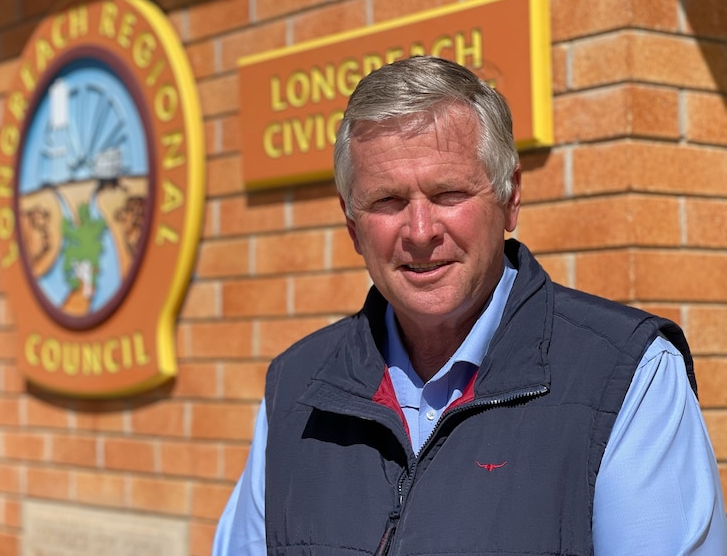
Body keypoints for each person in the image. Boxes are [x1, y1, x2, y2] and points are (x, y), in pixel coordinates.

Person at [213, 56, 727, 555]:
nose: (420, 232)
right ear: (352, 227)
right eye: (387, 202)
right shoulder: (295, 390)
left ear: (510, 199)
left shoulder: (627, 375)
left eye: (449, 194)